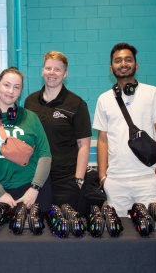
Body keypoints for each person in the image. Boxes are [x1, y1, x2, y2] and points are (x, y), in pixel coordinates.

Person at [93, 43, 156, 216]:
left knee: (149, 230)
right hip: (115, 180)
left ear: (136, 65)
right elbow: (102, 139)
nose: (123, 64)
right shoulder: (104, 99)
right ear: (111, 68)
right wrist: (103, 177)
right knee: (119, 232)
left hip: (147, 178)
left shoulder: (152, 93)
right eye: (118, 60)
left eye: (128, 59)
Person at [0, 67, 52, 209]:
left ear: (21, 90)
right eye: (6, 85)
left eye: (16, 87)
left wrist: (35, 188)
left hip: (31, 193)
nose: (11, 91)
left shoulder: (31, 118)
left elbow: (45, 154)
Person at [24, 51, 91, 214]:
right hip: (36, 180)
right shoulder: (30, 102)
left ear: (65, 74)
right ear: (42, 71)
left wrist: (79, 180)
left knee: (64, 231)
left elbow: (84, 145)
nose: (52, 73)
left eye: (57, 69)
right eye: (48, 68)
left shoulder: (76, 104)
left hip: (65, 181)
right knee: (37, 228)